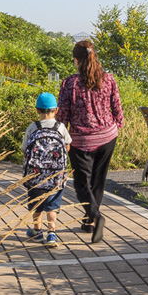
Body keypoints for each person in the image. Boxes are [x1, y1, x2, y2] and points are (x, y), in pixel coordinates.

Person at [57, 39, 123, 243]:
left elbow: (63, 115)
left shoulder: (69, 83)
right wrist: (116, 127)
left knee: (81, 183)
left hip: (81, 140)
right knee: (98, 180)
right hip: (108, 136)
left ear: (76, 60)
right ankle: (88, 221)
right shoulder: (108, 79)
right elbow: (117, 108)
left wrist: (61, 137)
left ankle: (95, 216)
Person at [22, 92, 71, 248]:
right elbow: (67, 147)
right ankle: (51, 233)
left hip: (35, 176)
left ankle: (37, 231)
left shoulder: (33, 127)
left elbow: (24, 149)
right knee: (52, 205)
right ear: (56, 110)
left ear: (37, 110)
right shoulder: (60, 127)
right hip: (56, 176)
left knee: (36, 204)